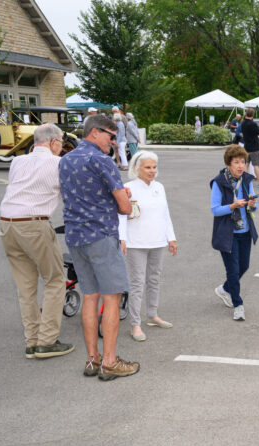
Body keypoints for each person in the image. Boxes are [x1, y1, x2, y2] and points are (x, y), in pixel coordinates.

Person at [59, 115, 139, 381]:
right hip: (101, 235)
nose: (114, 141)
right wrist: (123, 199)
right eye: (111, 136)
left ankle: (92, 359)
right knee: (111, 297)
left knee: (90, 297)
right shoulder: (102, 160)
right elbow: (125, 208)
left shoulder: (66, 159)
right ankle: (110, 362)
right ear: (94, 132)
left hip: (75, 236)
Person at [0, 123, 74, 359]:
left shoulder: (17, 161)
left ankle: (32, 341)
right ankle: (47, 342)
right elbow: (69, 195)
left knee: (25, 287)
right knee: (55, 280)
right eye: (61, 142)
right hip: (34, 222)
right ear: (53, 142)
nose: (62, 147)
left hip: (7, 223)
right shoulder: (59, 163)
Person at [118, 151, 177, 342]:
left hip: (158, 241)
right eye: (147, 167)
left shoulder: (159, 187)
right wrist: (122, 238)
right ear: (137, 169)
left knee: (154, 279)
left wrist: (171, 238)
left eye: (154, 167)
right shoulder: (128, 188)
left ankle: (152, 314)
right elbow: (121, 215)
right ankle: (135, 324)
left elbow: (165, 214)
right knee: (137, 283)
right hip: (136, 243)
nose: (152, 171)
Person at [211, 145, 259, 320]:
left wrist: (252, 204)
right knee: (233, 270)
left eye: (243, 162)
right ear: (229, 164)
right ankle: (238, 304)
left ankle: (224, 289)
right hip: (227, 233)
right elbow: (215, 209)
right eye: (236, 162)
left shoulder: (246, 179)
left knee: (244, 265)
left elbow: (254, 205)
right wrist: (233, 206)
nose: (240, 166)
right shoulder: (219, 182)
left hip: (245, 231)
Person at [240, 108, 259, 187]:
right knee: (256, 165)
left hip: (246, 147)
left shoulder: (243, 123)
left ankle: (245, 181)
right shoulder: (253, 124)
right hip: (254, 147)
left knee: (246, 164)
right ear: (253, 115)